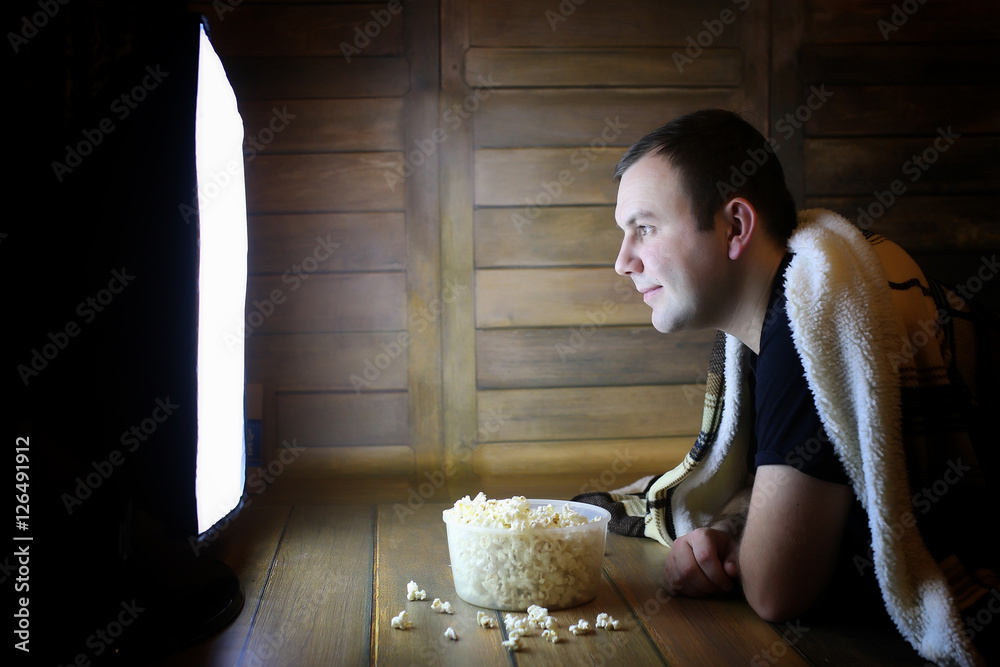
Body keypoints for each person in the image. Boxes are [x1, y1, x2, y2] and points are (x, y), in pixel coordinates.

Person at [576, 109, 998, 666]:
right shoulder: (783, 309)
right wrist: (733, 527)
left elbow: (776, 590)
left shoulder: (814, 320)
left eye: (645, 229)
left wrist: (749, 546)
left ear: (735, 227)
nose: (623, 262)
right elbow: (790, 490)